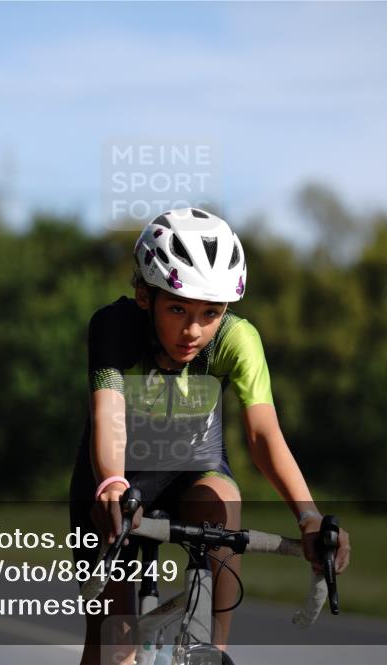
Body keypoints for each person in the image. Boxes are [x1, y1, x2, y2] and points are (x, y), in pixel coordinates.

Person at [68, 208, 351, 665]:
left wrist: (309, 518)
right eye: (178, 308)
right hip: (114, 478)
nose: (194, 330)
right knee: (113, 647)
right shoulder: (114, 327)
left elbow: (263, 435)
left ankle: (212, 651)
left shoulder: (238, 340)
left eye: (211, 312)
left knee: (222, 505)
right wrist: (113, 485)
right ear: (145, 295)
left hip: (191, 470)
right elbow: (109, 415)